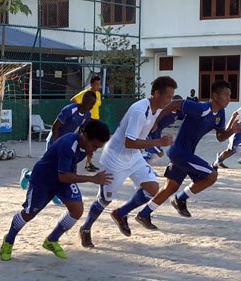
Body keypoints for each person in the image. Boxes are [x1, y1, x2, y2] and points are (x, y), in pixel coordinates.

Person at [77, 76, 177, 248]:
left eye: (172, 97)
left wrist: (154, 132)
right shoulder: (140, 111)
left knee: (152, 188)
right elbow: (129, 142)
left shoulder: (157, 108)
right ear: (156, 94)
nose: (170, 101)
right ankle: (85, 229)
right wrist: (158, 142)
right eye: (168, 96)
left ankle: (120, 213)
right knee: (104, 200)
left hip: (133, 156)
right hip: (115, 158)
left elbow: (149, 127)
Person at [0, 120, 112, 261]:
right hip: (43, 181)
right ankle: (8, 240)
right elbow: (63, 176)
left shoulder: (84, 145)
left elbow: (71, 166)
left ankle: (51, 240)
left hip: (63, 180)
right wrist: (92, 179)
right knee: (28, 214)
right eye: (94, 146)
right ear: (84, 136)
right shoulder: (68, 145)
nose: (94, 150)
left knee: (77, 210)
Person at [135, 80, 240, 229]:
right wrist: (155, 121)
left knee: (170, 188)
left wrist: (233, 130)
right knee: (211, 175)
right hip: (180, 153)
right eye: (226, 95)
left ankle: (144, 214)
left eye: (230, 95)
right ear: (215, 96)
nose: (229, 98)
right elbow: (175, 103)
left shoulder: (220, 113)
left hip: (184, 154)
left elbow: (220, 137)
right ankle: (180, 199)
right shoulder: (201, 108)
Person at [72, 76, 103, 172]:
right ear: (91, 84)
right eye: (96, 84)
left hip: (96, 121)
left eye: (99, 84)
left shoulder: (98, 94)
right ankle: (75, 161)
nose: (98, 86)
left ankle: (88, 163)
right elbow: (73, 100)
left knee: (95, 143)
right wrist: (81, 112)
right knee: (87, 142)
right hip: (88, 121)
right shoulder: (85, 93)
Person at [143, 95, 184, 164]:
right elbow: (152, 116)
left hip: (157, 133)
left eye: (180, 103)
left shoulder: (178, 113)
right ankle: (137, 164)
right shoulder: (164, 110)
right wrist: (154, 123)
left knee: (155, 155)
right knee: (159, 153)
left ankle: (144, 167)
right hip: (150, 133)